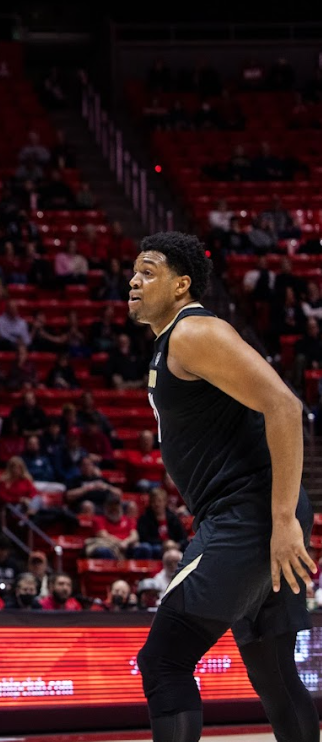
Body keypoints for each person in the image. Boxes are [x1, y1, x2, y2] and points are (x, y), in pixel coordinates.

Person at [129, 232, 317, 742]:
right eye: (134, 271)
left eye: (148, 271)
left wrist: (281, 522)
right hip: (252, 512)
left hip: (250, 514)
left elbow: (284, 406)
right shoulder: (173, 341)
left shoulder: (195, 332)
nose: (134, 280)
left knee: (163, 661)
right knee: (274, 674)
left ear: (181, 284)